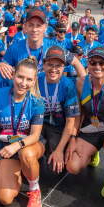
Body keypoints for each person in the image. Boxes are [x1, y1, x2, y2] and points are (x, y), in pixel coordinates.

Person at [66, 47, 104, 200]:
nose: (97, 67)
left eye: (102, 63)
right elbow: (77, 116)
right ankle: (93, 152)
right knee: (72, 167)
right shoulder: (80, 83)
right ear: (88, 63)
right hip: (89, 128)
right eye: (93, 62)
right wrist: (72, 138)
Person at [0, 56, 45, 207]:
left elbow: (35, 135)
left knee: (26, 153)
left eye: (28, 79)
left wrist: (16, 146)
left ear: (34, 81)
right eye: (20, 77)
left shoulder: (37, 101)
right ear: (13, 75)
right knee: (5, 199)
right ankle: (21, 168)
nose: (23, 83)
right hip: (7, 148)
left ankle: (35, 189)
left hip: (31, 145)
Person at [0, 8, 86, 79]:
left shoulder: (54, 47)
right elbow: (2, 69)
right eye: (31, 25)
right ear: (25, 27)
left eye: (39, 25)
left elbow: (76, 63)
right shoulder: (14, 48)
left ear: (45, 28)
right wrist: (0, 65)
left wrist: (85, 90)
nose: (34, 29)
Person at [36, 46, 80, 176]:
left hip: (58, 128)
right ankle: (43, 147)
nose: (53, 69)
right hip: (39, 123)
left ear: (64, 67)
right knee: (27, 152)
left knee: (54, 170)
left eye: (58, 66)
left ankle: (53, 146)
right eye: (50, 64)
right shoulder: (36, 80)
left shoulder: (68, 86)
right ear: (43, 64)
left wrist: (59, 150)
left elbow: (70, 122)